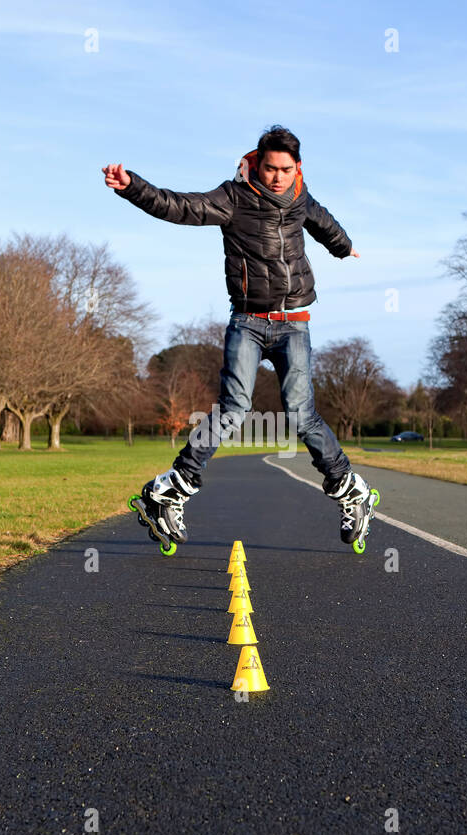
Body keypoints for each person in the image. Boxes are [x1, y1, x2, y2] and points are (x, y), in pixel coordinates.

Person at [102, 124, 373, 548]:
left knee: (301, 414)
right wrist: (132, 187)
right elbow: (180, 207)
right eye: (270, 168)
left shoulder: (300, 196)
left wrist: (344, 246)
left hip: (295, 321)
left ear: (297, 168)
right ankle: (170, 491)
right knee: (233, 409)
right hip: (247, 321)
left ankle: (350, 491)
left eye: (285, 169)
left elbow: (323, 223)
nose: (277, 177)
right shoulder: (233, 197)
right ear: (256, 163)